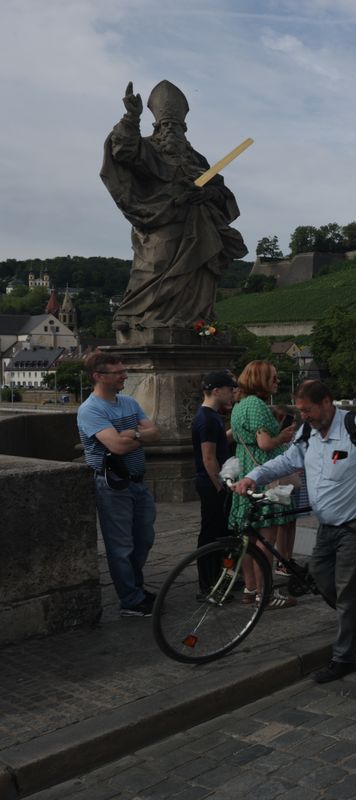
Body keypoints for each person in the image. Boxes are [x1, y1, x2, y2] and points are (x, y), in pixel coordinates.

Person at [232, 380, 356, 682]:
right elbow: (286, 461)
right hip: (326, 527)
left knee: (347, 590)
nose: (304, 417)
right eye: (300, 411)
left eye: (308, 410)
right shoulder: (306, 433)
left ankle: (344, 658)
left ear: (327, 402)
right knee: (324, 582)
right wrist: (252, 477)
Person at [101, 81, 247, 335]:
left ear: (185, 129)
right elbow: (123, 150)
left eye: (176, 126)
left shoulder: (196, 159)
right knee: (154, 265)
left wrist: (207, 193)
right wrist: (131, 117)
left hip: (198, 226)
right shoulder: (147, 149)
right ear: (156, 127)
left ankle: (195, 321)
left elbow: (222, 192)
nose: (171, 131)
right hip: (159, 221)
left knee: (198, 274)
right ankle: (134, 313)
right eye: (166, 125)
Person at [77, 351, 162, 616]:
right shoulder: (90, 409)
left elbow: (156, 433)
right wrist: (137, 435)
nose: (125, 376)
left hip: (138, 482)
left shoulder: (128, 402)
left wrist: (130, 433)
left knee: (144, 538)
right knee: (121, 546)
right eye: (119, 373)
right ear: (98, 377)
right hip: (112, 485)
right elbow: (116, 446)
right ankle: (131, 599)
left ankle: (135, 588)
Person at [229, 360, 298, 610]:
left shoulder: (239, 405)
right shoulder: (257, 405)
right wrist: (284, 436)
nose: (277, 382)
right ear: (260, 380)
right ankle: (264, 594)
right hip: (261, 478)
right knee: (265, 539)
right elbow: (266, 444)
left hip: (245, 469)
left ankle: (250, 588)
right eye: (273, 377)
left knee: (249, 537)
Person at [191, 370, 236, 593]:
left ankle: (217, 579)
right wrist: (221, 486)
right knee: (212, 534)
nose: (232, 394)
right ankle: (208, 584)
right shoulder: (207, 419)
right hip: (211, 485)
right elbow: (208, 458)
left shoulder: (210, 417)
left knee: (219, 532)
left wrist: (233, 432)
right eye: (229, 390)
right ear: (217, 391)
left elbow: (218, 443)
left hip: (211, 483)